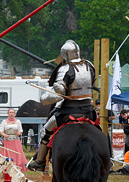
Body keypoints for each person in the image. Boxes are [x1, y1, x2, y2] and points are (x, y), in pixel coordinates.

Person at [28, 40, 97, 171]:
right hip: (88, 110)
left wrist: (44, 99)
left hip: (69, 111)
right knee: (98, 130)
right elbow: (92, 83)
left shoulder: (65, 68)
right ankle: (108, 159)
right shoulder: (89, 65)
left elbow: (60, 94)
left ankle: (39, 161)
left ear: (65, 54)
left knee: (46, 131)